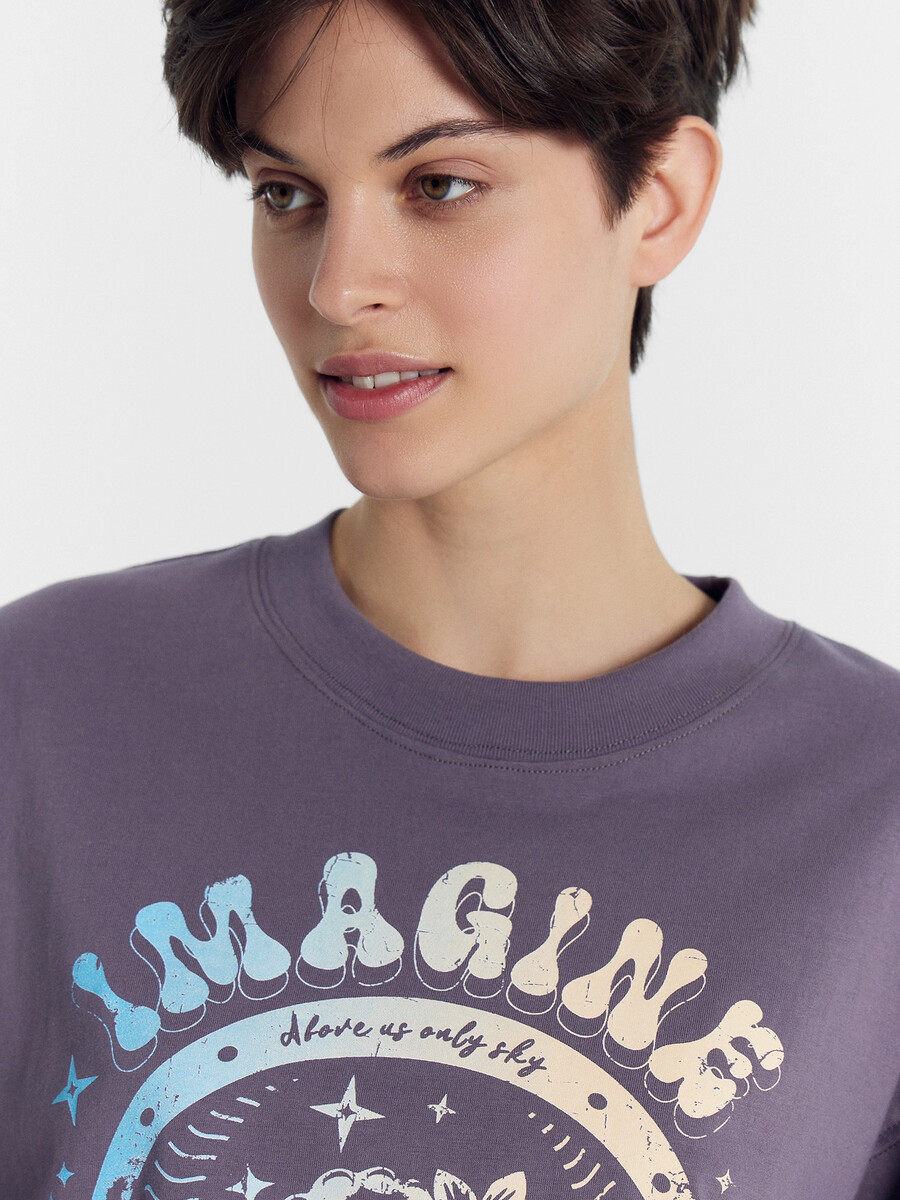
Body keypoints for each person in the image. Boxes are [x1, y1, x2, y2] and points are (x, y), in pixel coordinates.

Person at [1, 0, 898, 1198]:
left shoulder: (872, 808)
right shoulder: (46, 712)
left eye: (441, 186)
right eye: (287, 193)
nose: (338, 286)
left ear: (660, 200)